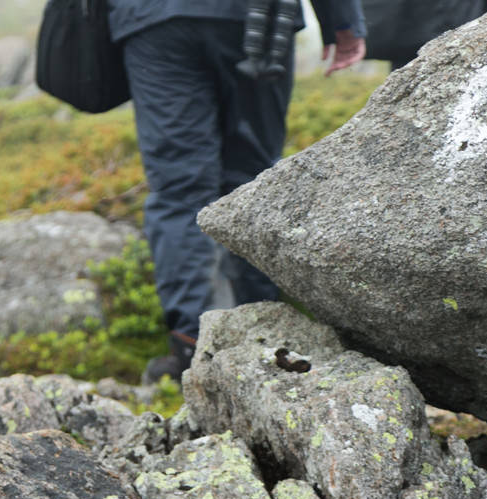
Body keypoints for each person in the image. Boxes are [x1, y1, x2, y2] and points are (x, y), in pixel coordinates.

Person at [110, 0, 367, 385]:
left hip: (154, 20)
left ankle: (189, 345)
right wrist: (341, 20)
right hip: (255, 16)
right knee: (252, 180)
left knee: (179, 187)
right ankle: (262, 335)